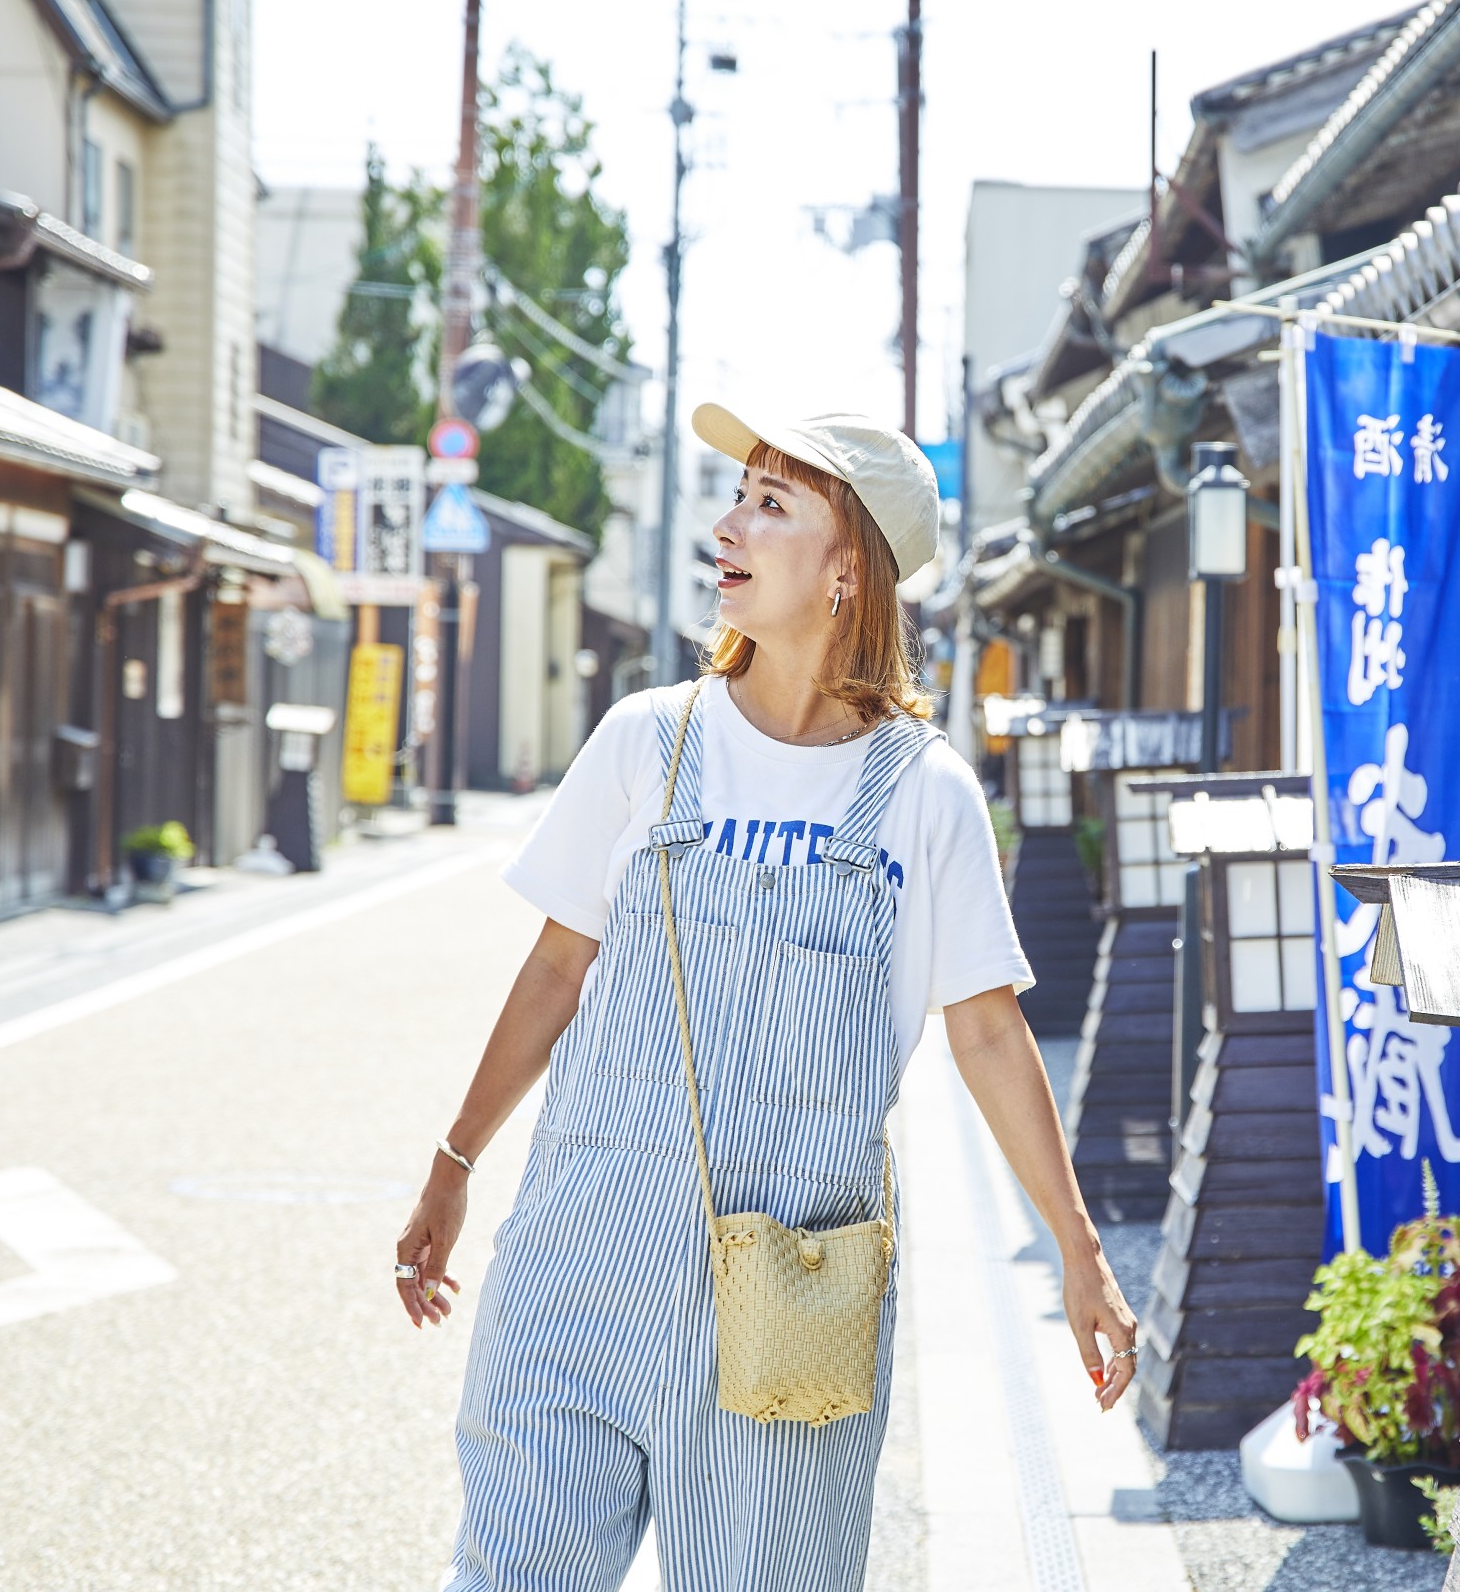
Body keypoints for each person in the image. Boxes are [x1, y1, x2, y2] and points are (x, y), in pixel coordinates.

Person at [395, 404, 1138, 1591]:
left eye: (771, 504)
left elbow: (989, 1031)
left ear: (850, 569)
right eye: (737, 493)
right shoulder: (649, 741)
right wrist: (454, 1161)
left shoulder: (925, 797)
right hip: (581, 1255)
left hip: (794, 1284)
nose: (727, 525)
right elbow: (553, 969)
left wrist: (1079, 1249)